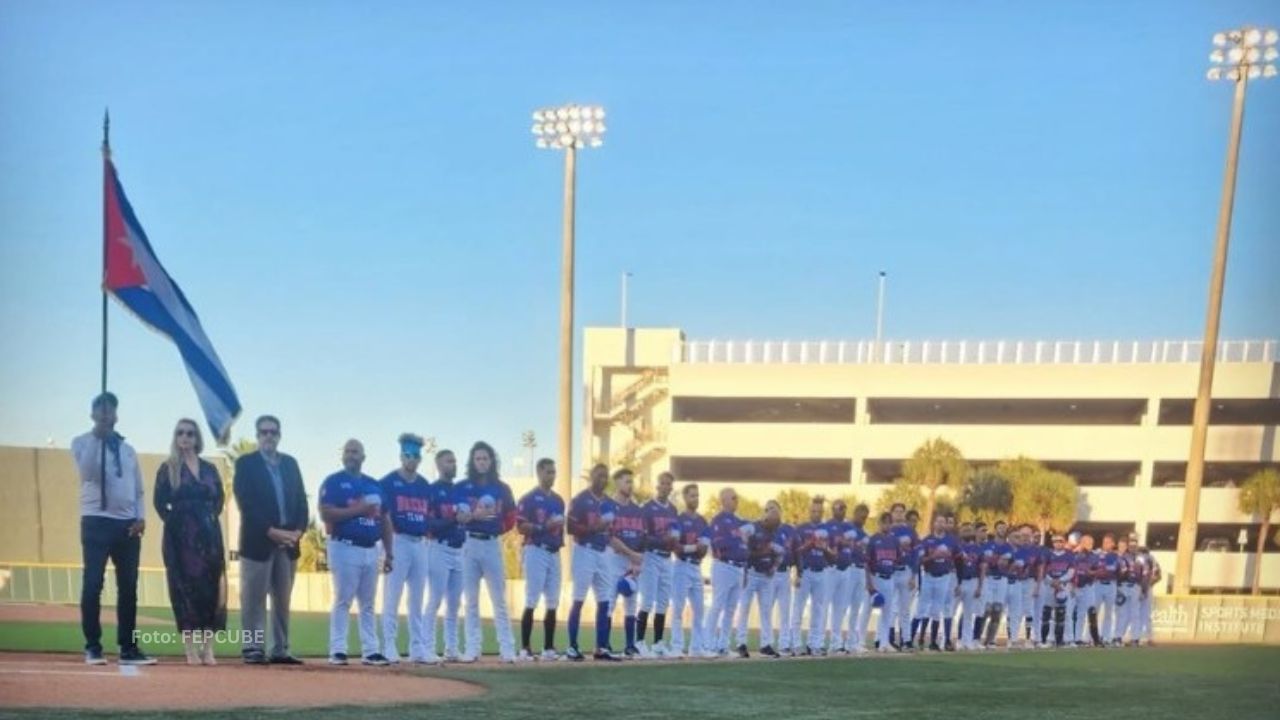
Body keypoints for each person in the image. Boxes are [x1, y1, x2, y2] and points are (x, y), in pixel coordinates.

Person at [73, 392, 155, 666]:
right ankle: (93, 646)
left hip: (127, 525)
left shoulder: (127, 449)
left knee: (129, 587)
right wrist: (98, 436)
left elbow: (139, 490)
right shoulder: (82, 443)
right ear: (93, 414)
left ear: (117, 415)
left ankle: (128, 647)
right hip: (96, 521)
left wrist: (140, 517)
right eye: (102, 410)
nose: (107, 415)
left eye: (111, 411)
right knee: (93, 583)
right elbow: (89, 474)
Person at [232, 414, 308, 665]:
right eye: (263, 432)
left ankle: (280, 649)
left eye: (273, 432)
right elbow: (247, 503)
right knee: (254, 599)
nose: (268, 436)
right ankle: (253, 647)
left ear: (279, 435)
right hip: (258, 540)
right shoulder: (246, 464)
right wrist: (270, 531)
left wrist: (298, 531)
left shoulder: (290, 464)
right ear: (257, 435)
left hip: (288, 542)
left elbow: (301, 501)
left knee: (282, 600)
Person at [154, 418, 227, 665]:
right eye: (180, 433)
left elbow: (219, 500)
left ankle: (208, 648)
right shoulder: (168, 469)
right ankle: (189, 648)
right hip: (179, 539)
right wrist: (176, 522)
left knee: (211, 589)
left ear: (197, 438)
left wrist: (205, 521)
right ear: (175, 437)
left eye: (190, 433)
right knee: (183, 588)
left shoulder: (209, 469)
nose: (185, 437)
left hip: (209, 536)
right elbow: (159, 501)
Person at [320, 439, 394, 666]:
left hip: (372, 548)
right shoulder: (334, 482)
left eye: (356, 452)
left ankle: (371, 650)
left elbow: (385, 520)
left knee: (368, 603)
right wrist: (359, 509)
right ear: (343, 456)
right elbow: (326, 513)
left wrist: (389, 553)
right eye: (348, 452)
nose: (351, 455)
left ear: (363, 457)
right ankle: (338, 649)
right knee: (343, 599)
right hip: (345, 546)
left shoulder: (374, 485)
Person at [453, 441, 519, 663]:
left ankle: (507, 648)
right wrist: (472, 517)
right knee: (470, 600)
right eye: (478, 458)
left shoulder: (502, 488)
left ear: (492, 461)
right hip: (469, 543)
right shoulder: (462, 487)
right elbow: (457, 516)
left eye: (485, 458)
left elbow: (511, 517)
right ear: (472, 462)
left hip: (491, 544)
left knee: (499, 599)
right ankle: (472, 647)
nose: (482, 462)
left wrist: (498, 528)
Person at [378, 434, 432, 664]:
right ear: (401, 456)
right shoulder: (388, 482)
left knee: (417, 597)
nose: (412, 460)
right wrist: (387, 548)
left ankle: (417, 646)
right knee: (392, 596)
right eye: (408, 455)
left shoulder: (423, 485)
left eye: (416, 456)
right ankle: (389, 644)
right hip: (398, 540)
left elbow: (428, 515)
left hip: (419, 542)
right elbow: (383, 515)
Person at [565, 463, 617, 661]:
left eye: (605, 476)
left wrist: (607, 529)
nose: (603, 480)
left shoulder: (610, 502)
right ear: (592, 477)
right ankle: (572, 646)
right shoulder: (580, 500)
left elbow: (612, 530)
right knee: (579, 598)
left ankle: (601, 648)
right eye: (599, 476)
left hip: (603, 552)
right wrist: (595, 527)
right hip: (584, 551)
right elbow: (570, 528)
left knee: (605, 600)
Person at [516, 458, 565, 661]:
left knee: (553, 601)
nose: (552, 476)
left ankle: (548, 648)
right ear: (539, 473)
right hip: (536, 549)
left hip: (554, 551)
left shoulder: (559, 500)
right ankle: (525, 648)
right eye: (548, 472)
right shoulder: (528, 498)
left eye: (554, 472)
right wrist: (544, 526)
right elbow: (520, 527)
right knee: (532, 599)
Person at [422, 449, 463, 663]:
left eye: (454, 460)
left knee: (454, 604)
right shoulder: (432, 490)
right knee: (435, 600)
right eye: (449, 461)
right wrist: (455, 519)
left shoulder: (460, 490)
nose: (453, 464)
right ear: (439, 465)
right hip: (438, 547)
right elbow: (429, 525)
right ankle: (427, 647)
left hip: (459, 549)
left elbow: (467, 519)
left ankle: (451, 648)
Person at [606, 469, 649, 658]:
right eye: (626, 482)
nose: (630, 485)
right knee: (609, 601)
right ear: (617, 483)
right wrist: (632, 554)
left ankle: (630, 645)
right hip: (613, 558)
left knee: (631, 602)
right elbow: (610, 537)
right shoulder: (608, 506)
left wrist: (638, 560)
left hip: (631, 561)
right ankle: (604, 643)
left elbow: (643, 537)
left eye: (632, 482)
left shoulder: (637, 510)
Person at [636, 472, 679, 658]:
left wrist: (673, 541)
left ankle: (658, 642)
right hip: (651, 556)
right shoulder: (647, 508)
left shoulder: (673, 509)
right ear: (657, 485)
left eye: (668, 484)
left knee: (663, 601)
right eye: (662, 483)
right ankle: (639, 642)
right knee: (647, 600)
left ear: (671, 487)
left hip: (666, 557)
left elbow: (675, 533)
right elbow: (642, 536)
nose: (664, 486)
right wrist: (663, 540)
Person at [704, 487, 749, 657]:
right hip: (724, 565)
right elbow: (717, 544)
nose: (736, 500)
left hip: (738, 567)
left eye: (736, 498)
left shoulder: (740, 521)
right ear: (723, 500)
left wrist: (744, 570)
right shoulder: (719, 519)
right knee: (717, 605)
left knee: (731, 609)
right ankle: (707, 644)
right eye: (733, 498)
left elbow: (744, 548)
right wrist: (736, 540)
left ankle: (722, 645)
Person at [734, 500, 781, 658]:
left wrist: (774, 567)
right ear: (766, 519)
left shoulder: (773, 532)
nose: (773, 528)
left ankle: (766, 643)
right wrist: (755, 552)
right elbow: (740, 539)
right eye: (772, 524)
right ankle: (741, 642)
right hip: (751, 572)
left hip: (765, 575)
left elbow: (780, 553)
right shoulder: (753, 527)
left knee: (766, 610)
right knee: (745, 608)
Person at [669, 483, 710, 658]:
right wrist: (694, 547)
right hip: (681, 565)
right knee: (678, 607)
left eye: (697, 495)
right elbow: (675, 547)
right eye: (692, 495)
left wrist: (694, 548)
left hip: (695, 567)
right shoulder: (678, 520)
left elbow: (704, 549)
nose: (696, 499)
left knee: (699, 609)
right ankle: (677, 646)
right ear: (685, 498)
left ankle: (696, 646)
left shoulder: (702, 521)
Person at [791, 496, 833, 656]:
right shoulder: (802, 529)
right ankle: (795, 643)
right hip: (806, 572)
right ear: (809, 512)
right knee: (798, 609)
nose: (816, 514)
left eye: (819, 511)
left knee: (818, 610)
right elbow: (796, 552)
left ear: (822, 512)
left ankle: (814, 643)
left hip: (821, 572)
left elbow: (833, 556)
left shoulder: (826, 530)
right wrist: (798, 573)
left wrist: (825, 549)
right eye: (813, 511)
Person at [916, 514, 959, 652]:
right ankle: (920, 636)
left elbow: (958, 557)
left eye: (944, 522)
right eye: (939, 521)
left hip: (947, 576)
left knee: (943, 608)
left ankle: (942, 640)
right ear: (934, 523)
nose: (942, 524)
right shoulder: (927, 540)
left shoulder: (952, 541)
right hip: (930, 575)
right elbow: (920, 559)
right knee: (926, 608)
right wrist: (932, 557)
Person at [865, 512, 901, 653]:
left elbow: (897, 559)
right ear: (879, 523)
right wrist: (869, 582)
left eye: (889, 522)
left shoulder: (894, 540)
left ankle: (884, 643)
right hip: (876, 577)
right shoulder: (873, 539)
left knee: (887, 611)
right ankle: (859, 641)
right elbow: (867, 563)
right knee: (867, 610)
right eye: (884, 522)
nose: (886, 525)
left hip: (889, 577)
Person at [823, 499, 855, 654]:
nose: (842, 510)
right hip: (831, 569)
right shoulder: (828, 525)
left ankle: (836, 643)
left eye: (844, 508)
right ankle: (819, 641)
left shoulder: (849, 526)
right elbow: (826, 546)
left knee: (839, 608)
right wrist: (840, 543)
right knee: (824, 605)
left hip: (846, 569)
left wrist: (844, 542)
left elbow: (852, 543)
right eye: (839, 508)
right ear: (833, 509)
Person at [767, 508, 797, 656]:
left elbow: (795, 551)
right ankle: (766, 642)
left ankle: (784, 643)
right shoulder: (765, 530)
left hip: (785, 572)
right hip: (770, 574)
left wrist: (799, 572)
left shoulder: (789, 530)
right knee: (767, 610)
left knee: (785, 611)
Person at [888, 503, 918, 649]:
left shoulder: (910, 531)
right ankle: (888, 638)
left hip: (905, 571)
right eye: (896, 511)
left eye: (901, 511)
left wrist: (913, 575)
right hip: (892, 571)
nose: (899, 514)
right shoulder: (888, 530)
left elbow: (915, 554)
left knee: (904, 608)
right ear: (891, 513)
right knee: (890, 606)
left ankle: (906, 640)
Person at [844, 504, 871, 654]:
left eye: (865, 517)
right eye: (861, 516)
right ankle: (836, 640)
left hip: (861, 570)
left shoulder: (865, 535)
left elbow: (866, 558)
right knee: (844, 606)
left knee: (856, 607)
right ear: (855, 514)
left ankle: (852, 642)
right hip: (850, 568)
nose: (863, 520)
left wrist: (868, 579)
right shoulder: (847, 529)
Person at [955, 523, 984, 651]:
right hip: (957, 581)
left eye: (969, 530)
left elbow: (982, 568)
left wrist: (979, 586)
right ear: (960, 532)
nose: (967, 532)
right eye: (964, 530)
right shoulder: (956, 547)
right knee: (950, 611)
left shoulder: (978, 549)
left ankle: (967, 641)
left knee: (968, 613)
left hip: (972, 581)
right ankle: (947, 640)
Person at [1073, 534, 1102, 647]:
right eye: (1087, 542)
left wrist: (1091, 573)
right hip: (1074, 586)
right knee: (1075, 613)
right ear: (1081, 542)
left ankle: (1094, 638)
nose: (1090, 545)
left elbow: (1099, 570)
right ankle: (1075, 638)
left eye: (1091, 543)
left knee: (1090, 611)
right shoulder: (1074, 554)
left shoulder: (1094, 556)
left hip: (1088, 586)